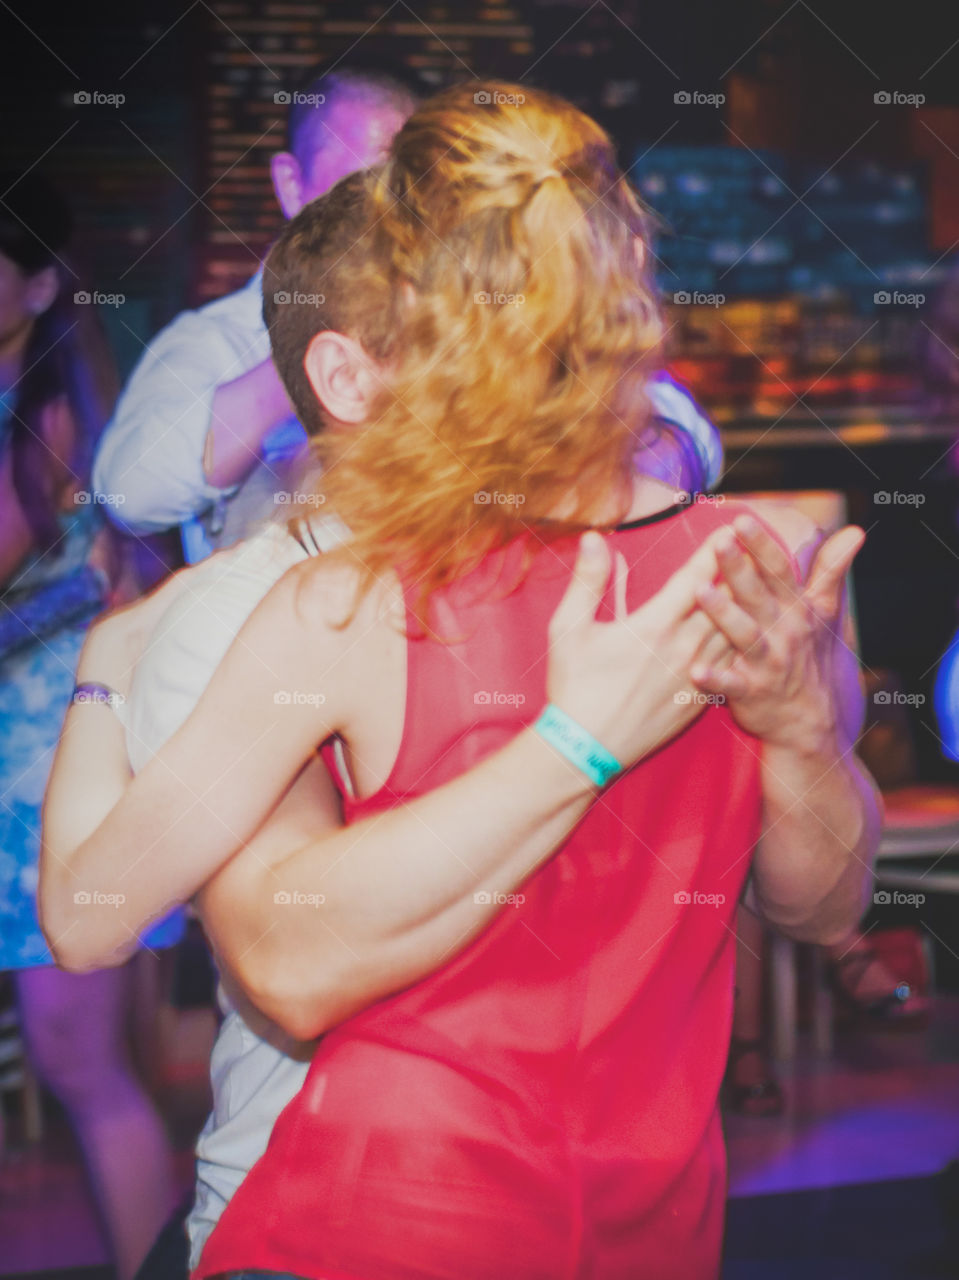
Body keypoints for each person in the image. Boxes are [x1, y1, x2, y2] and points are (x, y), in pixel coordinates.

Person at [44, 82, 878, 1278]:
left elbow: (126, 924)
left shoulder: (344, 601)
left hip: (388, 1222)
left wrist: (104, 665)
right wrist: (799, 735)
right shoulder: (749, 566)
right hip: (608, 1218)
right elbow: (826, 908)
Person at [91, 63, 722, 566]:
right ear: (290, 185)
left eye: (411, 190)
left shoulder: (481, 310)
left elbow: (686, 437)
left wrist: (631, 469)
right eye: (361, 186)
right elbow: (131, 496)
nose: (390, 214)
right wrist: (313, 345)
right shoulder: (215, 340)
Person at [0, 171, 180, 1279]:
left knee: (83, 1064)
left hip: (47, 778)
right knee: (89, 1067)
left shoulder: (54, 404)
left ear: (39, 283)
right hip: (50, 765)